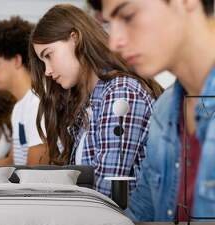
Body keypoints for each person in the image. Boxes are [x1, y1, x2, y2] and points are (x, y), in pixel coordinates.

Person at [88, 0, 215, 221]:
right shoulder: (165, 109)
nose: (114, 43)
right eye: (110, 24)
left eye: (127, 16)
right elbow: (140, 216)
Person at [29, 4, 163, 196]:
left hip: (127, 223)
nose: (48, 71)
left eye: (49, 55)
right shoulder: (90, 101)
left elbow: (106, 190)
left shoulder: (120, 92)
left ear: (75, 39)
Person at [0, 16, 49, 166]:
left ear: (17, 60)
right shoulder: (20, 107)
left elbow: (35, 175)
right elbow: (12, 161)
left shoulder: (36, 104)